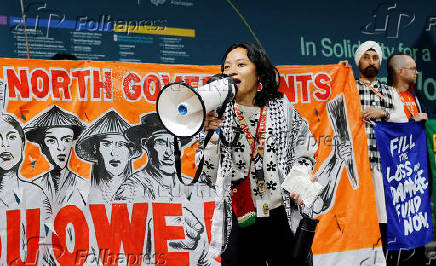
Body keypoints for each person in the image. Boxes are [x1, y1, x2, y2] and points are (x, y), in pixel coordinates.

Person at [201, 42, 317, 265]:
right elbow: (209, 174)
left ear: (259, 72)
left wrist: (302, 171)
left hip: (279, 214)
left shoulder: (280, 106)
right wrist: (211, 136)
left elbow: (304, 142)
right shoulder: (217, 112)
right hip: (239, 217)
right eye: (226, 67)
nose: (231, 71)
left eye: (241, 64)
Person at [116, 112, 215, 265]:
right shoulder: (133, 188)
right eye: (161, 142)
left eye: (174, 143)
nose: (169, 152)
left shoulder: (195, 185)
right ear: (146, 146)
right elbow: (124, 244)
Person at [24, 105, 88, 214]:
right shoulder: (34, 186)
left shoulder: (84, 187)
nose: (61, 147)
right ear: (42, 146)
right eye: (52, 140)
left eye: (67, 139)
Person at [75, 110, 141, 204]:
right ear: (95, 149)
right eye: (106, 144)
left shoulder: (143, 192)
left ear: (131, 150)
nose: (114, 153)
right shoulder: (80, 191)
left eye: (121, 144)